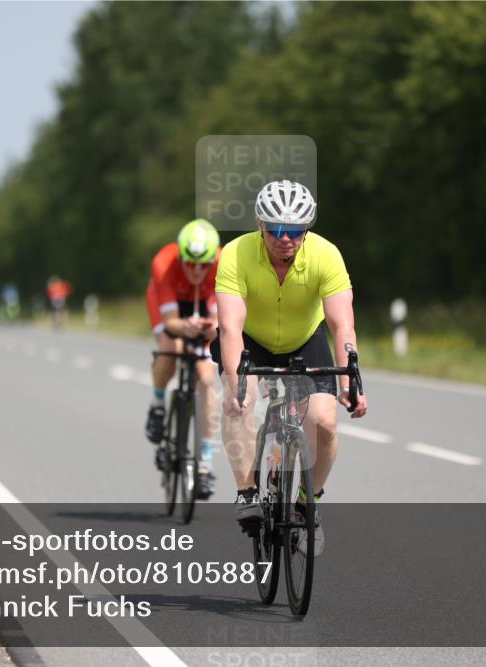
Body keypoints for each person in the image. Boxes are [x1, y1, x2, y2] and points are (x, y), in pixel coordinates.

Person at [212, 180, 368, 556]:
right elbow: (230, 327)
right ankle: (247, 492)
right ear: (259, 224)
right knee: (241, 401)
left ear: (306, 229)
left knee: (324, 422)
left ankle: (306, 503)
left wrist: (351, 380)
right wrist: (235, 385)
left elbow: (342, 325)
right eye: (277, 229)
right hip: (251, 339)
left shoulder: (326, 255)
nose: (286, 239)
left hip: (305, 339)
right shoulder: (235, 254)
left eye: (296, 231)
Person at [145, 219, 222, 499]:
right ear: (181, 257)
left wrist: (211, 327)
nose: (197, 270)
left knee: (206, 379)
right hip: (169, 305)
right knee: (171, 349)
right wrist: (185, 327)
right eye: (191, 263)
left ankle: (205, 463)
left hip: (204, 303)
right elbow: (170, 322)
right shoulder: (164, 263)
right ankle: (157, 406)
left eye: (204, 265)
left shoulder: (224, 263)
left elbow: (220, 317)